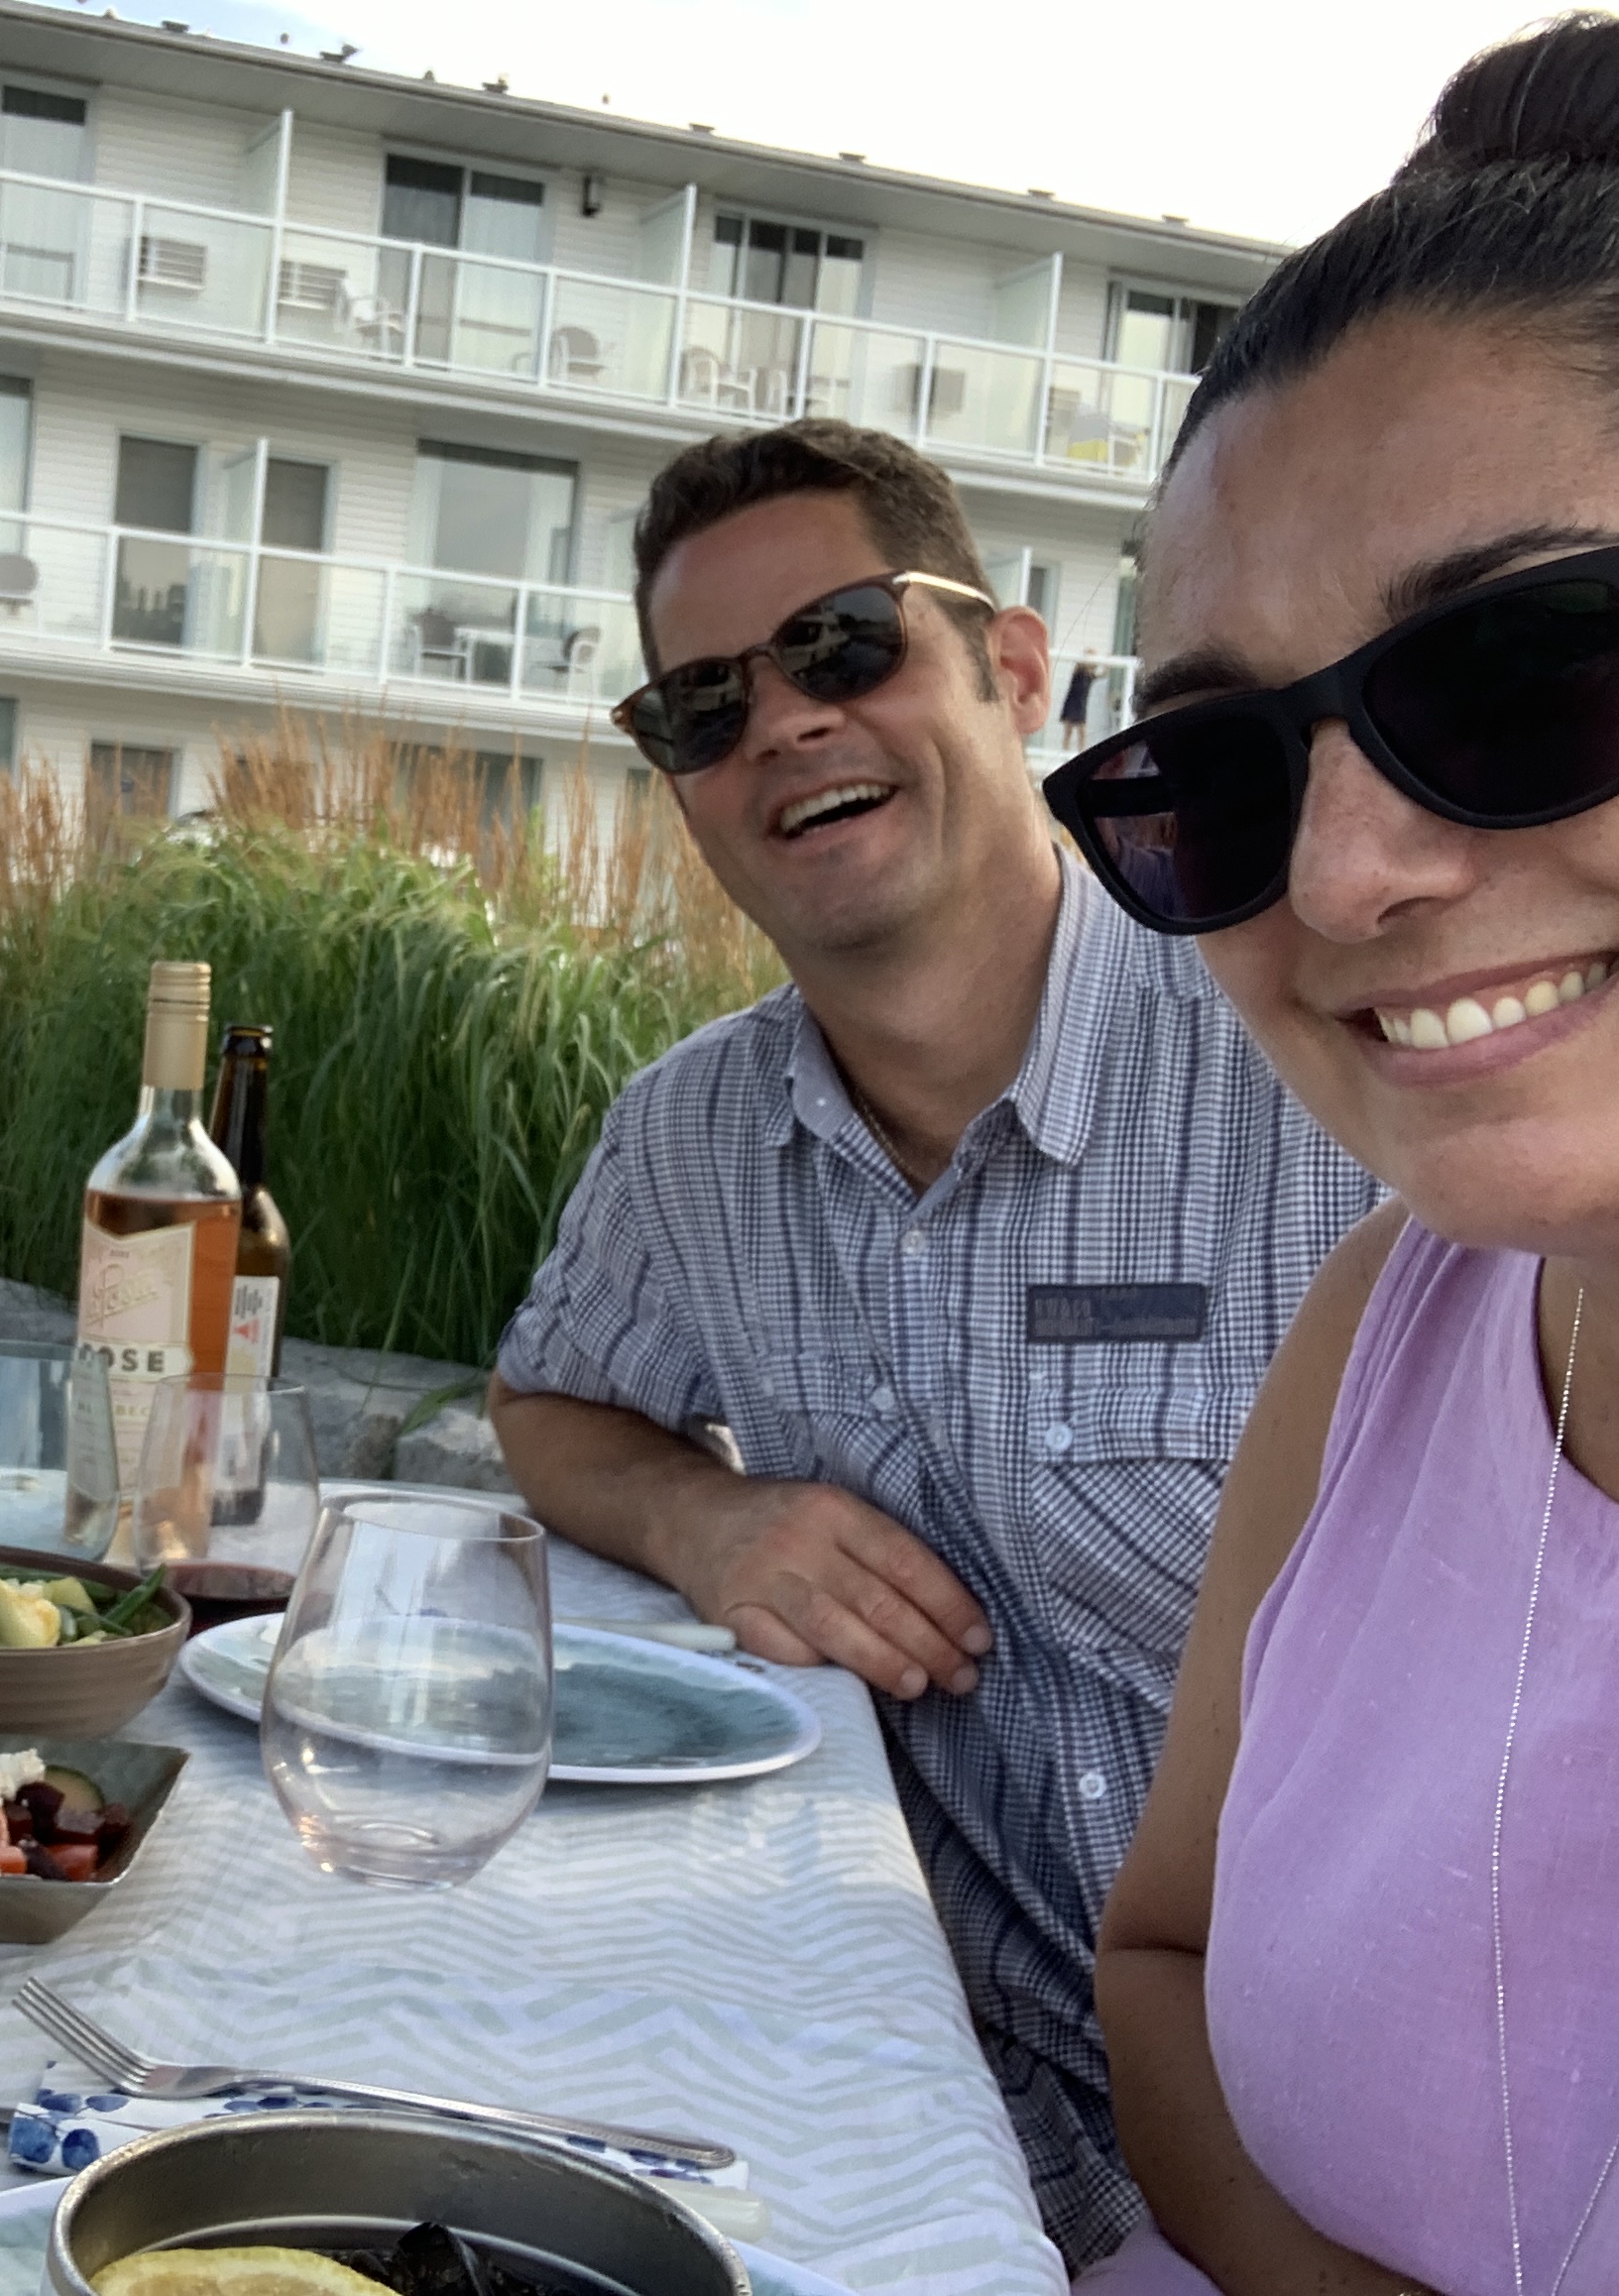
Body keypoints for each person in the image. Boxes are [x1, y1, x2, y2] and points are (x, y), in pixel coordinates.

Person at [1074, 8, 1619, 2287]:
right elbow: (1160, 1956)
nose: (1344, 872)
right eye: (1215, 777)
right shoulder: (1399, 1322)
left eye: (1509, 669)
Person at [487, 418, 1375, 2266]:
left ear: (1016, 669)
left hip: (1345, 2159)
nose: (782, 725)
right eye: (701, 707)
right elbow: (548, 1404)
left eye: (840, 645)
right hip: (945, 2103)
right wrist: (707, 1519)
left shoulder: (1311, 1061)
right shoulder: (688, 1139)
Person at [1058, 654, 1101, 750]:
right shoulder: (1078, 672)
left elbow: (1104, 673)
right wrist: (1086, 657)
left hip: (1081, 705)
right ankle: (1064, 752)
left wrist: (1106, 659)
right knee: (1068, 731)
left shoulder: (1090, 676)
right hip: (1071, 703)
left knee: (1082, 732)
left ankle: (1082, 752)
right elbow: (1078, 664)